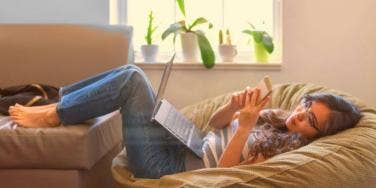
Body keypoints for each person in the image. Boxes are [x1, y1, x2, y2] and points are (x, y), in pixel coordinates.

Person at [8, 64, 362, 178]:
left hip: (167, 166)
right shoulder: (276, 118)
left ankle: (56, 112)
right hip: (183, 142)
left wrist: (243, 128)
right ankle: (59, 101)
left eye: (309, 122)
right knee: (133, 71)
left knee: (132, 82)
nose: (299, 117)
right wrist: (234, 108)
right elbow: (214, 127)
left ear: (315, 136)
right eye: (306, 107)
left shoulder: (285, 153)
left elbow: (223, 175)